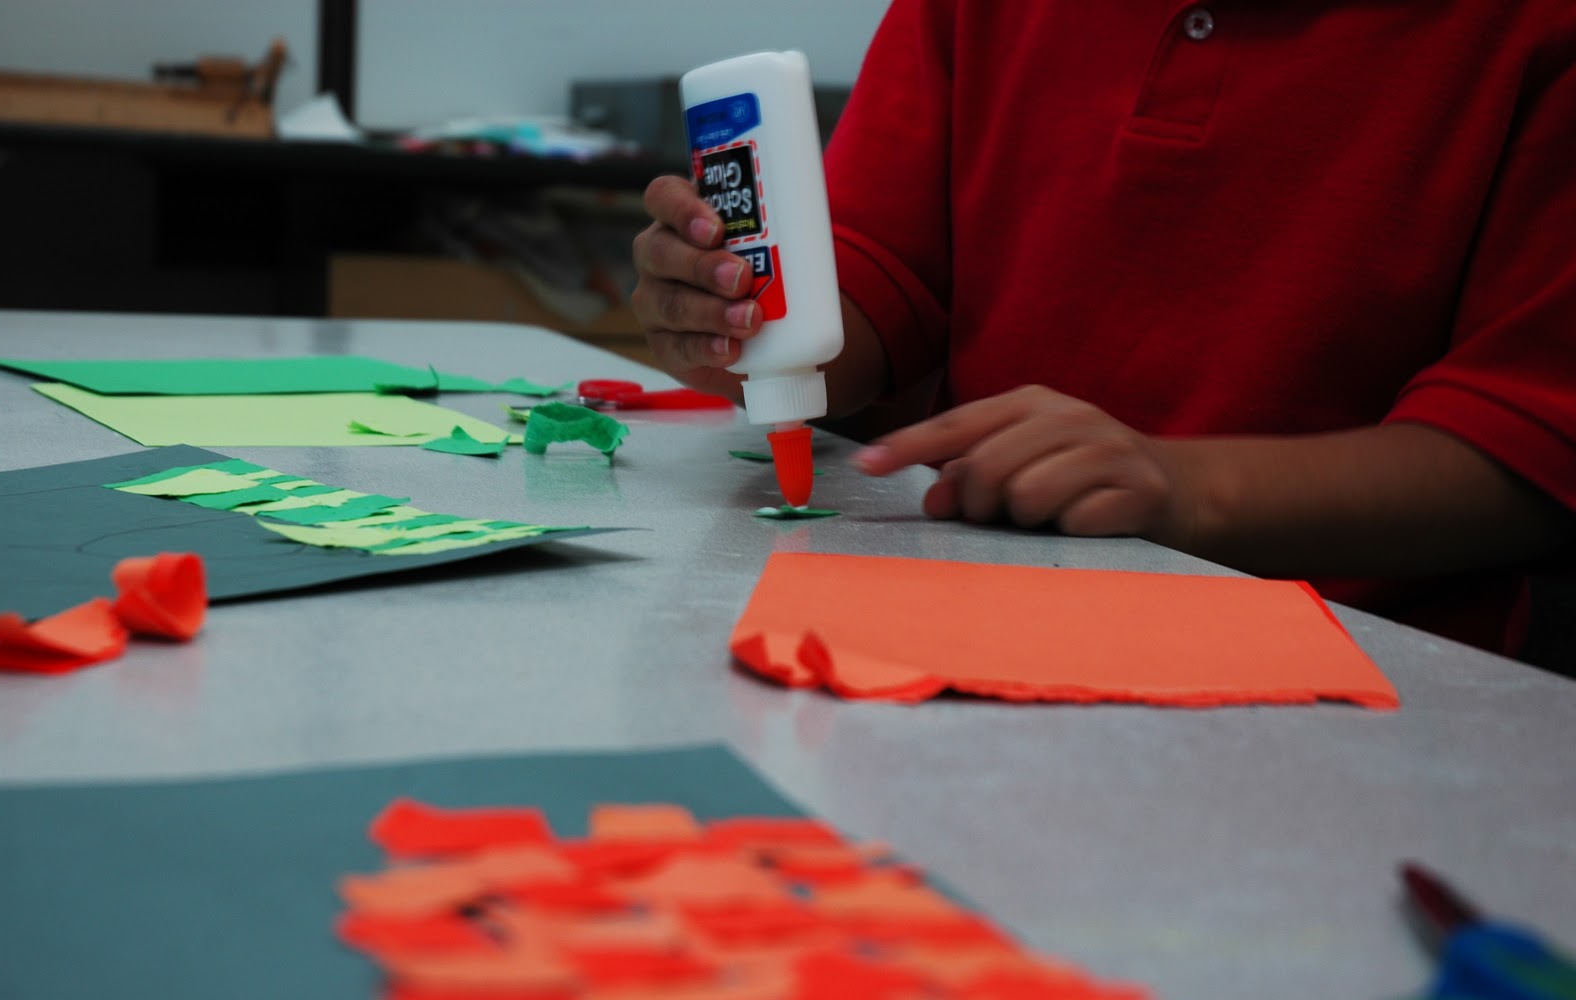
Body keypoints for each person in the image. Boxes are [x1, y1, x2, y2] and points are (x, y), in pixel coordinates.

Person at [631, 1, 1576, 655]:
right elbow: (883, 280)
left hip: (1359, 684)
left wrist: (1181, 491)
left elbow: (1527, 457)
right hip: (965, 621)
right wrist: (744, 316)